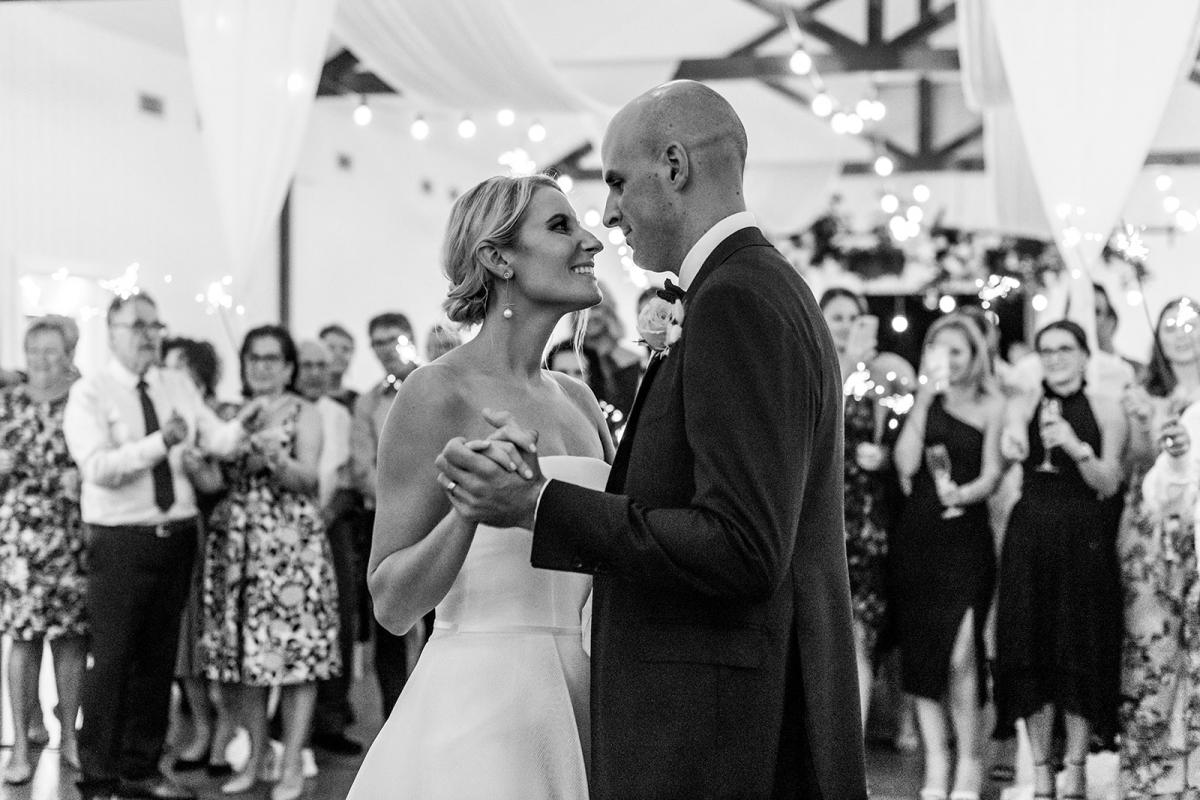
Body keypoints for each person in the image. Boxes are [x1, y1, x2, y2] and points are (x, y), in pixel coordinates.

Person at [434, 81, 866, 799]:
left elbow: (743, 546)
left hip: (721, 735)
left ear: (674, 166)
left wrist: (540, 504)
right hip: (723, 716)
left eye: (614, 182)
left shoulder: (737, 299)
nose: (605, 217)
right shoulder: (750, 288)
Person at [347, 173, 611, 799]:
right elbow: (391, 602)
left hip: (584, 698)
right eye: (560, 227)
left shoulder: (578, 399)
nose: (591, 241)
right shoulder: (437, 391)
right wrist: (469, 510)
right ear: (497, 258)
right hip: (484, 707)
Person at [62, 292, 265, 800]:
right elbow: (97, 469)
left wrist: (245, 425)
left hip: (175, 538)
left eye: (155, 324)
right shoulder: (92, 392)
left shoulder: (176, 384)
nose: (149, 334)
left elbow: (215, 440)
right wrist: (160, 443)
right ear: (112, 332)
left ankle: (143, 768)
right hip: (120, 541)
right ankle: (99, 774)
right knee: (112, 658)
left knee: (157, 661)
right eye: (137, 326)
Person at [199, 326, 341, 800]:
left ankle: (292, 764)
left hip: (290, 550)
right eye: (253, 357)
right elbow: (212, 479)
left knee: (295, 657)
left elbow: (310, 480)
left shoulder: (306, 412)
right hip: (239, 548)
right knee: (245, 663)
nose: (262, 365)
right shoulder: (229, 415)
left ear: (287, 365)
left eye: (271, 358)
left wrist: (277, 460)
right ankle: (258, 756)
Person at [995, 320, 1128, 800]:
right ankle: (1041, 767)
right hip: (1030, 533)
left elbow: (1110, 482)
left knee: (1078, 648)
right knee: (1028, 648)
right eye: (1045, 350)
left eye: (1064, 348)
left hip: (1083, 539)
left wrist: (1074, 446)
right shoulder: (1024, 403)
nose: (1054, 357)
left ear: (1084, 354)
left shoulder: (1107, 409)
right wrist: (1012, 441)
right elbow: (1009, 444)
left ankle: (1075, 767)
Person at [891, 313, 1004, 800]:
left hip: (966, 537)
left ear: (974, 354)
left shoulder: (992, 405)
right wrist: (922, 399)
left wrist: (967, 493)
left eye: (957, 350)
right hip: (919, 537)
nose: (949, 360)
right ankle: (936, 763)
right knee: (920, 654)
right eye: (941, 350)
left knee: (961, 654)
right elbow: (906, 464)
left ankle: (971, 763)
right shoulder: (923, 403)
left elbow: (994, 472)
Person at [1118, 296, 1200, 795]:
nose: (1179, 333)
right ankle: (1149, 774)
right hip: (1150, 532)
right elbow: (1138, 462)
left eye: (1189, 324)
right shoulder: (1141, 392)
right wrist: (1152, 426)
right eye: (1169, 324)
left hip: (1195, 523)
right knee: (1152, 648)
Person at [0, 316, 87, 785]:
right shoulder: (6, 403)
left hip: (70, 532)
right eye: (35, 351)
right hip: (20, 539)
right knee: (23, 638)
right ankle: (18, 743)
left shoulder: (82, 401)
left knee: (71, 639)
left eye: (52, 351)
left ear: (70, 354)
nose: (42, 360)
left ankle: (70, 735)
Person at [819, 288, 901, 729]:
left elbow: (904, 443)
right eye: (837, 316)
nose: (847, 325)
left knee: (859, 639)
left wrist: (886, 459)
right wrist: (849, 360)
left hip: (866, 519)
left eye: (855, 317)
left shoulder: (884, 376)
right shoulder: (812, 366)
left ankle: (855, 756)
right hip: (822, 515)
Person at [159, 336, 238, 778]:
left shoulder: (222, 415)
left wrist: (202, 470)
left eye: (181, 368)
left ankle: (225, 731)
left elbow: (226, 479)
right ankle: (201, 726)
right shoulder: (163, 413)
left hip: (220, 535)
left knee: (217, 639)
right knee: (186, 641)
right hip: (180, 537)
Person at [351, 311, 424, 719]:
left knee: (437, 625)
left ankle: (435, 712)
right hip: (385, 523)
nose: (384, 349)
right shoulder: (367, 402)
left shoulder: (433, 384)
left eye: (391, 338)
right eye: (377, 342)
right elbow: (362, 468)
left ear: (409, 337)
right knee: (389, 626)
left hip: (436, 520)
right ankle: (394, 717)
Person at [294, 338, 361, 756]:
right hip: (287, 528)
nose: (315, 373)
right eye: (306, 365)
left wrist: (329, 513)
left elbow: (350, 473)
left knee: (338, 620)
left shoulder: (341, 414)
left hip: (332, 524)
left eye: (321, 365)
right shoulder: (284, 410)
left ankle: (331, 719)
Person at [319, 323, 358, 411]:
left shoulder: (358, 401)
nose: (338, 354)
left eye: (345, 349)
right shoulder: (307, 398)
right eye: (331, 348)